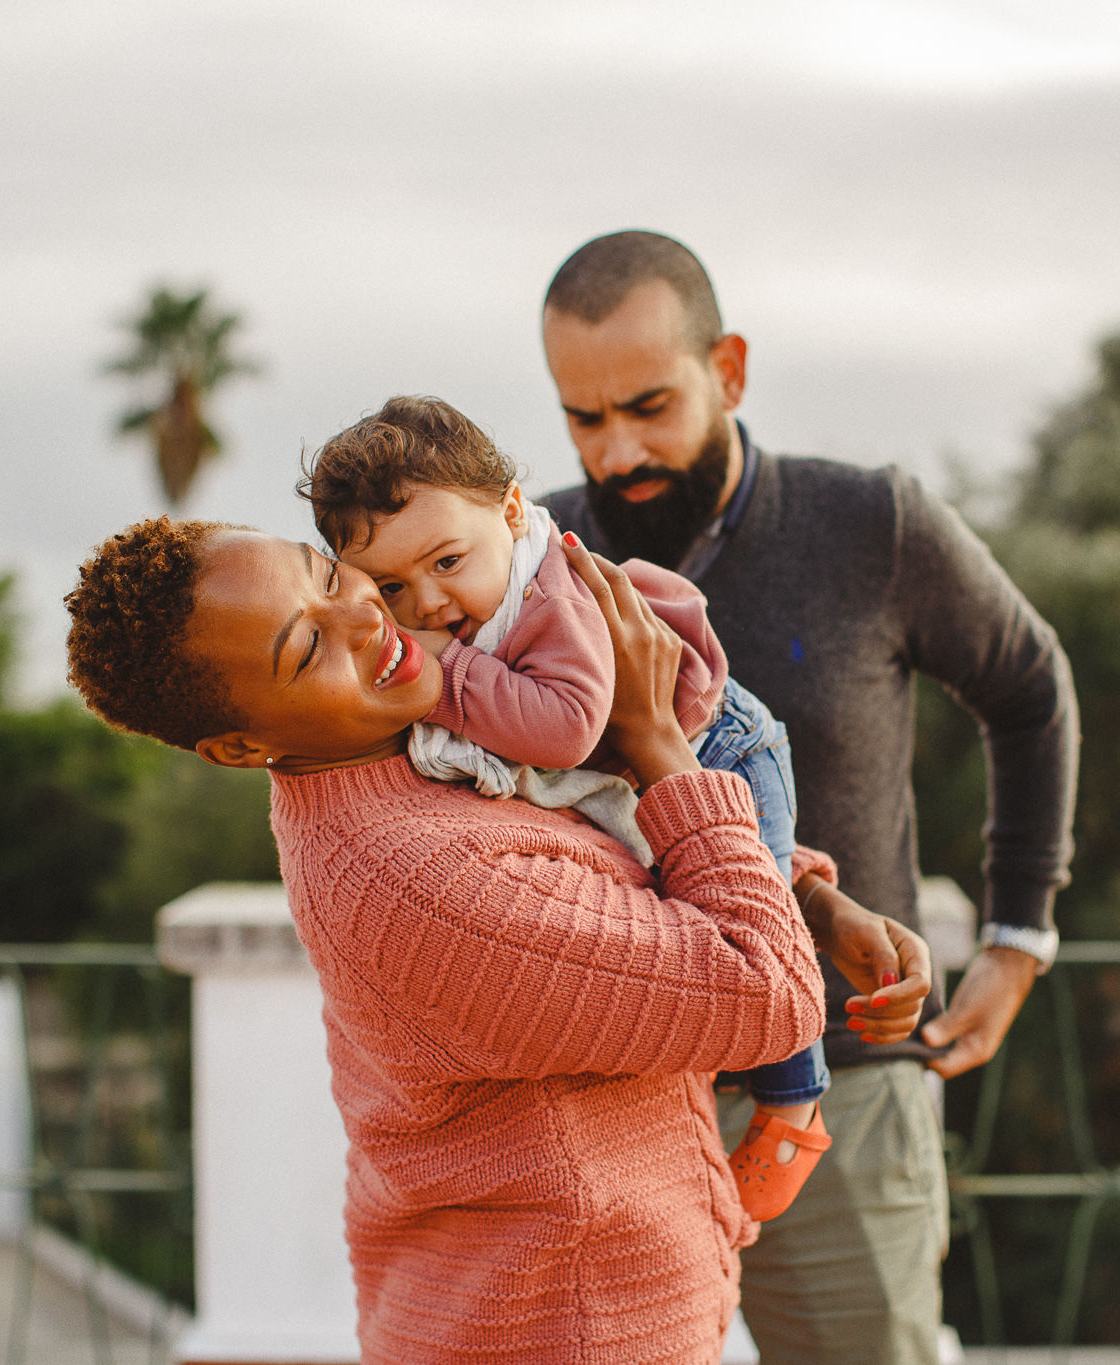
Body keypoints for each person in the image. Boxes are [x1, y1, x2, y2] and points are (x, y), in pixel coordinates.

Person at [62, 516, 934, 1364]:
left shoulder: (412, 739)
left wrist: (813, 897)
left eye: (326, 574)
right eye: (306, 648)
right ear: (240, 744)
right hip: (565, 1324)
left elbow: (604, 851)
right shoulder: (417, 882)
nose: (364, 614)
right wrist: (657, 738)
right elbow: (768, 996)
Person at [536, 231, 1081, 1364]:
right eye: (583, 419)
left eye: (647, 404)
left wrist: (1017, 937)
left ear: (727, 370)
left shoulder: (870, 525)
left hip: (843, 1088)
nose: (617, 450)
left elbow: (1030, 691)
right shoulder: (534, 557)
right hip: (608, 1100)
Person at [301, 393, 874, 1218]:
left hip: (728, 751)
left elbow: (567, 730)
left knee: (765, 938)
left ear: (508, 510)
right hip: (666, 772)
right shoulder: (476, 606)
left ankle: (795, 1104)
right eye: (391, 585)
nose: (426, 604)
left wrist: (446, 677)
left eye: (447, 562)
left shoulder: (550, 596)